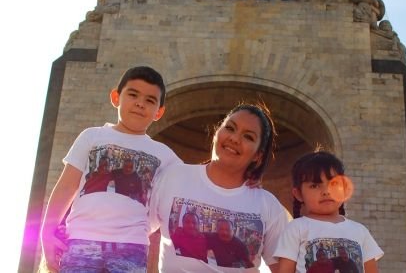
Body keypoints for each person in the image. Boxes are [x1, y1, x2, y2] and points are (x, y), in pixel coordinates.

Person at [40, 65, 182, 273]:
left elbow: (195, 183)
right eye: (133, 94)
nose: (140, 104)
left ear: (159, 112)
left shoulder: (165, 156)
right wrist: (46, 233)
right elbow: (66, 186)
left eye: (150, 100)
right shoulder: (91, 136)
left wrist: (247, 173)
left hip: (132, 248)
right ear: (116, 97)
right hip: (81, 240)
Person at [150, 103, 292, 272]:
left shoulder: (268, 206)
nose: (234, 138)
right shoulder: (173, 176)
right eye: (230, 128)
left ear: (258, 156)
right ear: (217, 132)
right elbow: (134, 230)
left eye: (248, 137)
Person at [275, 151, 383, 273]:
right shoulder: (295, 228)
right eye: (315, 185)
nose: (326, 191)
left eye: (334, 183)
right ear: (299, 194)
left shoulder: (360, 231)